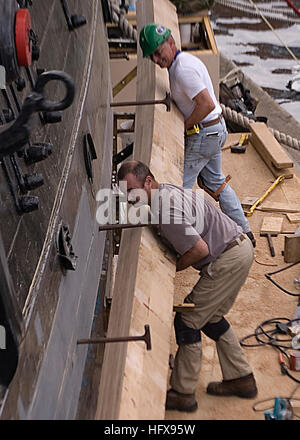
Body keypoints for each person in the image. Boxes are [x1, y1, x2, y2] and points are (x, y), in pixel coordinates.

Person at [117, 160, 258, 413]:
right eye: (124, 193)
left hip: (227, 258)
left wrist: (171, 268)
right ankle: (242, 378)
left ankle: (183, 393)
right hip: (238, 248)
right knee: (211, 318)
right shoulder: (165, 191)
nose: (129, 198)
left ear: (148, 182)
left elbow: (198, 249)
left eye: (132, 191)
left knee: (188, 321)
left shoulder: (165, 208)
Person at [139, 23, 256, 247]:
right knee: (216, 183)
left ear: (171, 43)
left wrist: (182, 127)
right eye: (151, 56)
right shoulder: (184, 62)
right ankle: (244, 232)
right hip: (216, 129)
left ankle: (187, 243)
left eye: (158, 52)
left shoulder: (183, 70)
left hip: (205, 134)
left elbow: (206, 104)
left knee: (178, 190)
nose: (156, 59)